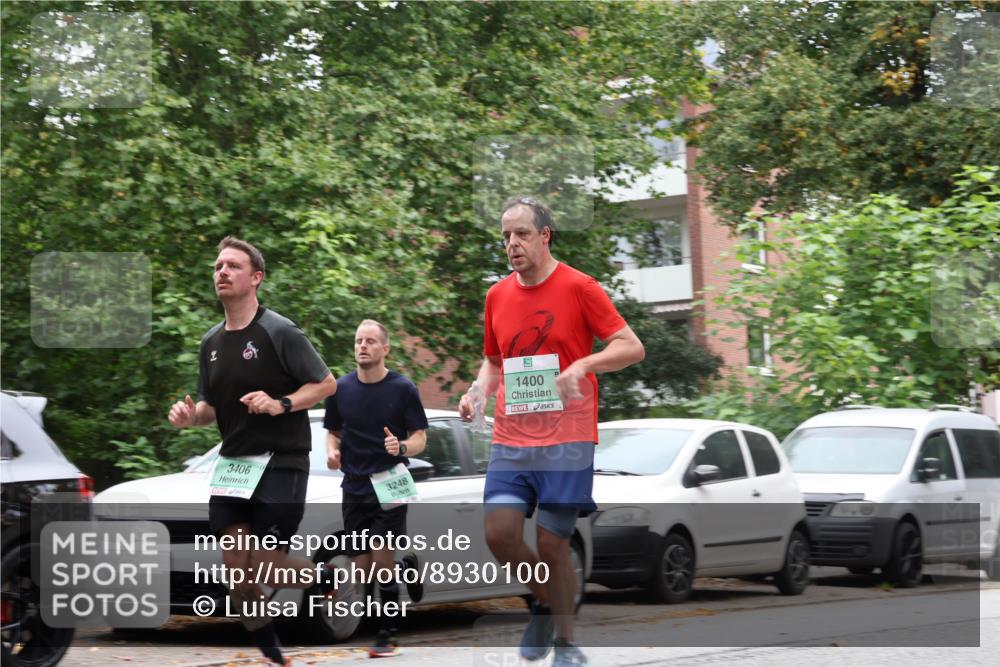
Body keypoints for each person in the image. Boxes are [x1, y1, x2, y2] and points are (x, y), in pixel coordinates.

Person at [459, 197, 644, 667]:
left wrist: (583, 364)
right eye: (505, 236)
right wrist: (478, 391)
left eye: (521, 234)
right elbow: (494, 360)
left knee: (551, 544)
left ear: (546, 235)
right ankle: (542, 603)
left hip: (568, 436)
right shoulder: (497, 295)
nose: (511, 244)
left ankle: (564, 640)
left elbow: (630, 346)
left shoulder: (580, 286)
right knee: (499, 534)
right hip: (512, 436)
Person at [168, 236, 337, 667]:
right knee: (237, 575)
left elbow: (325, 384)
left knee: (261, 566)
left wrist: (280, 403)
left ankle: (324, 577)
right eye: (218, 266)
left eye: (233, 266)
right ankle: (272, 653)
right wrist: (192, 417)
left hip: (282, 462)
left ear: (256, 278)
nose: (221, 272)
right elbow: (209, 408)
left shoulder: (279, 331)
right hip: (234, 466)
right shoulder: (210, 343)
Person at [324, 319, 428, 658]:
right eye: (358, 341)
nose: (362, 346)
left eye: (370, 341)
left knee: (381, 560)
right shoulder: (340, 388)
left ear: (385, 349)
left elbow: (420, 438)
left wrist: (402, 447)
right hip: (353, 485)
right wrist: (332, 453)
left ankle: (388, 635)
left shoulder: (403, 389)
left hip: (390, 481)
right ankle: (405, 568)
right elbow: (333, 432)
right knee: (361, 569)